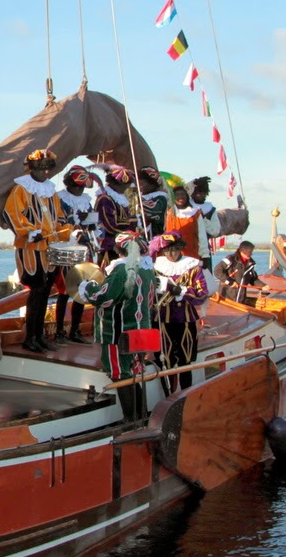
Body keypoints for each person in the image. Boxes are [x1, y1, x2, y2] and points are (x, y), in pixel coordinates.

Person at [78, 231, 157, 423]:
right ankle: (141, 415)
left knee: (121, 375)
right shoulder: (147, 270)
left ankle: (130, 419)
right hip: (141, 330)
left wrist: (86, 287)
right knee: (132, 374)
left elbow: (105, 296)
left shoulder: (123, 270)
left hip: (119, 331)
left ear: (120, 250)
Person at [5, 148, 73, 353]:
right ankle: (30, 337)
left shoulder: (51, 191)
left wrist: (65, 230)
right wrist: (29, 231)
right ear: (32, 168)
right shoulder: (21, 189)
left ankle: (39, 335)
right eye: (41, 168)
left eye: (48, 169)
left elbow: (59, 217)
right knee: (36, 292)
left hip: (50, 247)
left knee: (45, 292)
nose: (45, 173)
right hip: (31, 248)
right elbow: (13, 214)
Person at [151, 233, 208, 394]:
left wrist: (182, 291)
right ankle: (168, 397)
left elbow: (202, 293)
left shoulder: (192, 267)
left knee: (185, 360)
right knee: (164, 360)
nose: (171, 254)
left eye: (175, 250)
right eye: (167, 250)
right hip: (161, 319)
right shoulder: (155, 267)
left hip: (185, 318)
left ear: (181, 249)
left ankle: (186, 396)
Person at [51, 165, 97, 343]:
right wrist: (77, 222)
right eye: (76, 186)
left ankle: (75, 330)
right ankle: (60, 330)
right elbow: (59, 221)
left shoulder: (86, 200)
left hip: (84, 248)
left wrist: (90, 223)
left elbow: (92, 223)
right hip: (66, 248)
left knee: (81, 291)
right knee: (64, 291)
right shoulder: (60, 199)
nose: (79, 190)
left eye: (82, 187)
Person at [93, 166, 136, 266]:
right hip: (109, 246)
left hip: (121, 244)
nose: (126, 188)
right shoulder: (105, 199)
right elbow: (109, 225)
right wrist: (133, 221)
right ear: (114, 183)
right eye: (124, 185)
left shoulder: (118, 198)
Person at [137, 168, 169, 236]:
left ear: (152, 183)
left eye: (143, 181)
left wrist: (136, 200)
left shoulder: (161, 197)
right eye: (138, 181)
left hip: (156, 236)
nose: (139, 184)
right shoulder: (139, 196)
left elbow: (153, 209)